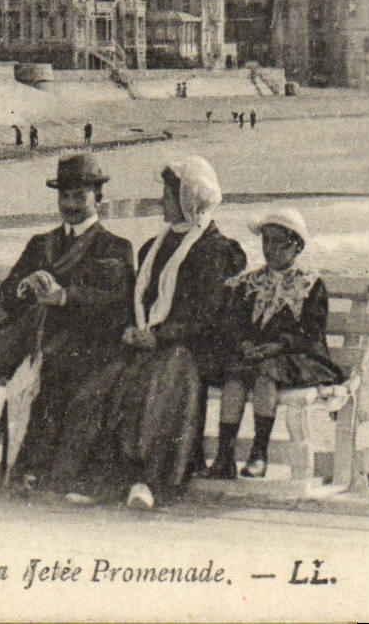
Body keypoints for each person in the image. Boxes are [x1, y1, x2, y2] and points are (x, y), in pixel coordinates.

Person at [46, 156, 246, 510]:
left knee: (155, 382)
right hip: (150, 340)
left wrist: (162, 336)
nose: (162, 203)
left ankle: (148, 479)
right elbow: (136, 300)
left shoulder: (216, 250)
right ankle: (102, 479)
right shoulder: (154, 247)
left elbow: (209, 316)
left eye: (168, 196)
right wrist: (131, 329)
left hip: (193, 347)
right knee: (102, 381)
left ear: (189, 200)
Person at [0, 154, 134, 495]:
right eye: (64, 196)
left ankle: (31, 467)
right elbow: (7, 293)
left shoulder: (114, 246)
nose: (70, 205)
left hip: (81, 338)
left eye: (80, 196)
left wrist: (64, 296)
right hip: (30, 333)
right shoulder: (40, 243)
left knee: (58, 371)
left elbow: (114, 299)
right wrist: (24, 287)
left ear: (98, 198)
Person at [205, 209, 343, 480]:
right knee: (235, 376)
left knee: (264, 375)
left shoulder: (309, 284)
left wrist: (279, 345)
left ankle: (259, 453)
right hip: (254, 356)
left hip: (295, 357)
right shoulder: (249, 282)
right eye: (266, 241)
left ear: (297, 246)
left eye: (280, 243)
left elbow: (312, 332)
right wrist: (243, 342)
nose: (271, 249)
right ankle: (224, 455)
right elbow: (233, 323)